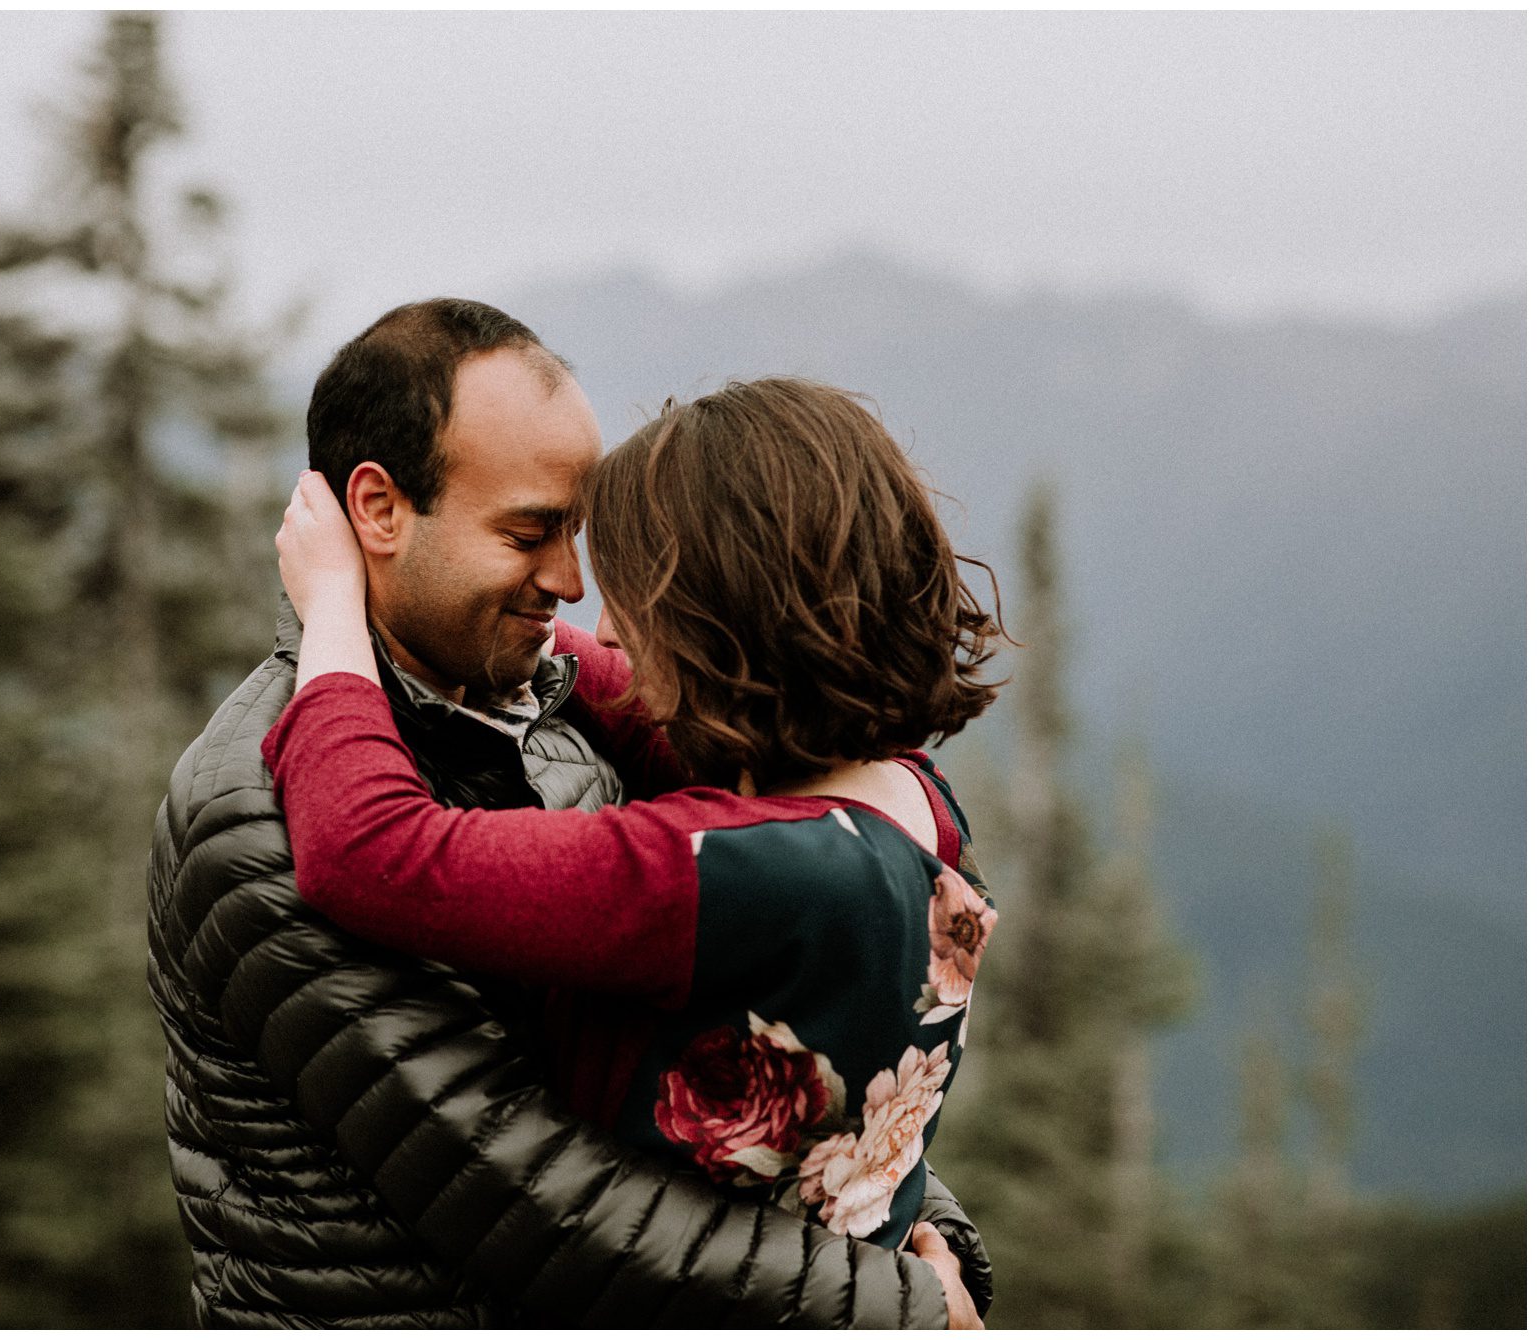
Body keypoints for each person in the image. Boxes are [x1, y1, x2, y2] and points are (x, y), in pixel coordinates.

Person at [148, 300, 990, 1326]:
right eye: (529, 533)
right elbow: (529, 1197)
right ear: (376, 510)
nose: (574, 583)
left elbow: (818, 1059)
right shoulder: (255, 815)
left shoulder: (615, 759)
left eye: (585, 538)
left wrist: (898, 1250)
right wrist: (896, 1293)